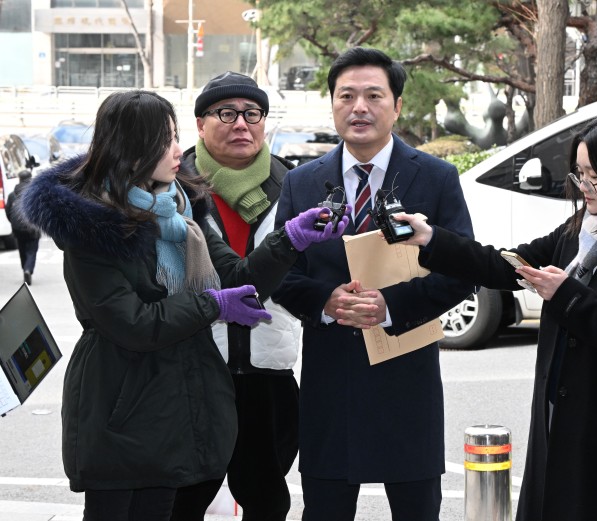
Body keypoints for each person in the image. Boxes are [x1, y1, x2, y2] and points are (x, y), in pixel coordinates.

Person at [17, 90, 347, 521]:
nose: (178, 151)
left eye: (175, 137)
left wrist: (290, 239)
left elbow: (235, 278)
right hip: (120, 403)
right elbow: (131, 323)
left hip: (175, 400)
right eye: (166, 140)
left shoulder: (178, 206)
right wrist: (212, 306)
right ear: (132, 147)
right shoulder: (92, 224)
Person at [396, 114, 597, 521]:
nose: (583, 186)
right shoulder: (578, 230)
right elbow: (505, 266)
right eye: (579, 174)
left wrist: (566, 294)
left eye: (594, 176)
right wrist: (431, 239)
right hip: (559, 415)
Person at [271, 47, 474, 520]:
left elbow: (461, 269)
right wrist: (327, 301)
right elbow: (280, 272)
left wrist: (389, 306)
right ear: (333, 104)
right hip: (329, 381)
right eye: (347, 96)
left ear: (397, 105)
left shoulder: (436, 178)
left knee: (416, 511)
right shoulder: (302, 183)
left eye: (373, 95)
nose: (359, 107)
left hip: (406, 378)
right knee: (324, 510)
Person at [170, 72, 301, 521]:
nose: (241, 123)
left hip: (270, 368)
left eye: (252, 113)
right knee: (183, 497)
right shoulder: (174, 186)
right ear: (201, 124)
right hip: (195, 368)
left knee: (267, 497)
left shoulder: (294, 184)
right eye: (226, 113)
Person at [5, 169, 40, 285]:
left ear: (19, 179)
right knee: (32, 250)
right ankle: (28, 269)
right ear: (30, 178)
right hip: (32, 227)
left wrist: (14, 224)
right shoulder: (35, 192)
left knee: (22, 249)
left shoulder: (12, 194)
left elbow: (8, 211)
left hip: (17, 228)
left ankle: (25, 268)